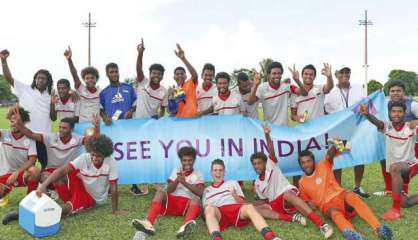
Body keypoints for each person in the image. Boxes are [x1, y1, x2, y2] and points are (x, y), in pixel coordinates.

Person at [2, 134, 125, 225]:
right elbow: (62, 170)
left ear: (105, 154)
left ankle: (25, 216)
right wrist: (43, 185)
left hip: (91, 198)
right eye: (92, 154)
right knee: (62, 174)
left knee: (62, 212)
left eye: (98, 156)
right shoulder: (85, 158)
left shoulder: (111, 162)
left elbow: (113, 187)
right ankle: (35, 206)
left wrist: (115, 210)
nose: (94, 158)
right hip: (80, 186)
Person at [251, 123, 333, 239]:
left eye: (259, 163)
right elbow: (264, 201)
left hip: (287, 196)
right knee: (255, 210)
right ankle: (294, 218)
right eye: (254, 164)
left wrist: (267, 135)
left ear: (265, 162)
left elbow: (271, 150)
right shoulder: (257, 183)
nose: (257, 166)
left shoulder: (271, 165)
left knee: (288, 194)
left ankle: (322, 225)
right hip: (275, 204)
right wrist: (249, 204)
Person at [298, 146, 393, 240]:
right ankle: (355, 236)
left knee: (352, 196)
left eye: (308, 161)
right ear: (300, 165)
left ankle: (379, 228)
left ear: (313, 161)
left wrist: (335, 145)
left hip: (340, 196)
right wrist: (310, 204)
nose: (306, 165)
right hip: (327, 207)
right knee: (334, 213)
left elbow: (330, 154)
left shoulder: (323, 164)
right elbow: (308, 204)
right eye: (303, 163)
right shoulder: (302, 183)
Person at [14, 109, 99, 202]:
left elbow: (94, 142)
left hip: (67, 171)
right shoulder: (50, 137)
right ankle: (66, 200)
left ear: (71, 130)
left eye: (64, 128)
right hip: (51, 171)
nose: (61, 130)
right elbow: (30, 134)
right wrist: (19, 124)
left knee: (82, 178)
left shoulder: (77, 139)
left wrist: (97, 127)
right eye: (60, 127)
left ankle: (63, 195)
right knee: (47, 177)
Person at [360, 101, 418, 220]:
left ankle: (395, 211)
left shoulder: (410, 127)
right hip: (398, 170)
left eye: (400, 111)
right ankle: (399, 205)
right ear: (389, 113)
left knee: (394, 168)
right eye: (393, 111)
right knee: (405, 202)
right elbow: (378, 123)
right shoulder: (387, 126)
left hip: (410, 165)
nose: (396, 114)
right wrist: (367, 115)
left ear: (405, 113)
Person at [131, 147, 203, 239]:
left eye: (190, 160)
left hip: (187, 205)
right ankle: (148, 223)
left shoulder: (198, 174)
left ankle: (185, 227)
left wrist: (185, 183)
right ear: (181, 160)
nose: (187, 163)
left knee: (196, 199)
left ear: (194, 160)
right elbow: (169, 190)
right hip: (172, 203)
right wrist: (177, 180)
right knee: (160, 192)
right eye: (184, 160)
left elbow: (201, 193)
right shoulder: (176, 170)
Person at [202, 159, 282, 240]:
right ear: (211, 172)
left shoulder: (233, 183)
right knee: (209, 208)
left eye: (220, 170)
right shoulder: (207, 190)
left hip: (234, 209)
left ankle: (270, 236)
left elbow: (243, 202)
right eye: (215, 170)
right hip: (219, 212)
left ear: (224, 172)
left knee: (249, 207)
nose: (218, 172)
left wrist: (234, 195)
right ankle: (217, 238)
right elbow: (206, 213)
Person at [0, 49, 52, 171]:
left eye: (43, 78)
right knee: (29, 169)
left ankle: (46, 189)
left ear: (48, 81)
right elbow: (9, 78)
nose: (40, 80)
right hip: (25, 134)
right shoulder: (25, 89)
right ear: (35, 79)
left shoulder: (51, 96)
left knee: (46, 167)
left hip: (42, 137)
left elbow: (54, 116)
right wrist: (3, 61)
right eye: (38, 78)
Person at [324, 66, 369, 198]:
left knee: (359, 158)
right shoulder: (330, 92)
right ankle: (339, 187)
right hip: (338, 131)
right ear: (336, 74)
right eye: (341, 72)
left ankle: (357, 186)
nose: (344, 74)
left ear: (350, 74)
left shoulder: (358, 88)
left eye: (347, 72)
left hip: (356, 130)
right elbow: (326, 112)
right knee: (338, 159)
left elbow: (366, 104)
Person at [373, 80, 418, 197]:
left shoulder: (412, 105)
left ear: (404, 92)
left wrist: (416, 121)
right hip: (392, 140)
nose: (395, 93)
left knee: (404, 167)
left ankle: (402, 191)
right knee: (385, 161)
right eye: (392, 91)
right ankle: (389, 189)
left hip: (411, 142)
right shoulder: (385, 104)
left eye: (399, 91)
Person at [0, 107, 40, 211]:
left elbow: (32, 160)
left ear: (24, 122)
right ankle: (4, 193)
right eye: (12, 120)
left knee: (34, 171)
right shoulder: (4, 134)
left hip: (21, 174)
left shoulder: (30, 138)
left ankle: (30, 199)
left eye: (17, 120)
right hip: (4, 176)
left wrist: (17, 172)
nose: (14, 123)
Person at [248, 61, 306, 126]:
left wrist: (297, 81)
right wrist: (255, 85)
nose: (277, 76)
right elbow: (250, 102)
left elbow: (304, 93)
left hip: (284, 130)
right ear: (269, 75)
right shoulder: (262, 88)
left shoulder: (286, 86)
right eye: (274, 73)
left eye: (279, 73)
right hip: (269, 130)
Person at [64, 46, 101, 123]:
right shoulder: (81, 88)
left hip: (97, 125)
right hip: (82, 125)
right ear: (84, 80)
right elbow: (74, 74)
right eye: (87, 78)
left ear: (96, 79)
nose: (90, 80)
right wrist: (69, 60)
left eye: (92, 78)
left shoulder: (101, 92)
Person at [134, 38, 168, 120]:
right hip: (137, 123)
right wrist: (140, 53)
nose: (156, 75)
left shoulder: (164, 91)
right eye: (154, 73)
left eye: (159, 74)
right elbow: (139, 69)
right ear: (150, 74)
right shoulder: (143, 82)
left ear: (162, 76)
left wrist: (159, 119)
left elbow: (162, 109)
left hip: (152, 126)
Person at [168, 44, 198, 117]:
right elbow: (171, 111)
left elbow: (195, 75)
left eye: (182, 74)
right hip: (179, 122)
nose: (180, 75)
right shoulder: (173, 90)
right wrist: (171, 97)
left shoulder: (190, 83)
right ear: (174, 77)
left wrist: (183, 58)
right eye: (177, 74)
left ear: (186, 76)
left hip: (191, 119)